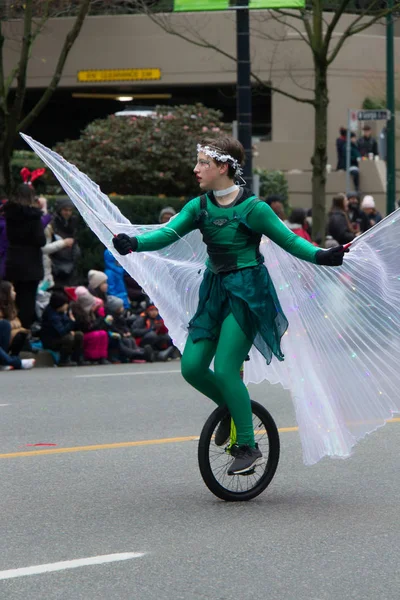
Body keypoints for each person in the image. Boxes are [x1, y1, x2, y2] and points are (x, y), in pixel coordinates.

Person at [112, 136, 347, 475]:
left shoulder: (255, 209)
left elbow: (292, 241)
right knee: (191, 367)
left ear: (223, 167)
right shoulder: (199, 206)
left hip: (247, 293)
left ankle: (248, 446)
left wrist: (322, 256)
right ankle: (230, 408)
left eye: (203, 163)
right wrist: (134, 242)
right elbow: (167, 233)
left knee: (224, 369)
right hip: (214, 292)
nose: (196, 169)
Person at [3, 184, 46, 328]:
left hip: (13, 261)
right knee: (27, 302)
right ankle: (23, 334)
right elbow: (41, 240)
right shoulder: (34, 217)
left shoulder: (9, 214)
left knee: (13, 299)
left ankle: (12, 331)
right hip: (30, 264)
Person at [40, 291, 85, 366]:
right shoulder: (52, 316)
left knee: (79, 335)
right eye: (65, 304)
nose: (67, 306)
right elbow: (62, 331)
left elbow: (66, 322)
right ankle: (63, 360)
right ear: (59, 305)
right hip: (51, 340)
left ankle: (77, 358)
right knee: (69, 338)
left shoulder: (60, 312)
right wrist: (72, 322)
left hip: (59, 337)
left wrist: (71, 325)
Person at [105, 295, 155, 363]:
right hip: (117, 336)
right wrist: (122, 334)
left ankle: (139, 351)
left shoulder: (120, 317)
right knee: (127, 341)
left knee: (131, 339)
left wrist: (127, 332)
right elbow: (112, 328)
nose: (123, 308)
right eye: (121, 307)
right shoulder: (111, 318)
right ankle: (137, 355)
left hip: (123, 335)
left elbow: (124, 326)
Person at [0, 281, 35, 371]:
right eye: (12, 291)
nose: (15, 293)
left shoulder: (11, 307)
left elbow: (17, 322)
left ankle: (6, 360)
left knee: (21, 332)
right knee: (5, 325)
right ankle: (15, 362)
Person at [70, 286, 109, 365]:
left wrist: (102, 319)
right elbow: (87, 327)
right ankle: (91, 356)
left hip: (91, 329)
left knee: (103, 333)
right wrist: (100, 320)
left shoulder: (91, 310)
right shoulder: (78, 311)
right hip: (84, 331)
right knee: (96, 334)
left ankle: (102, 357)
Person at [51, 198, 81, 286]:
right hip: (56, 262)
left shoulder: (73, 222)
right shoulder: (54, 223)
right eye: (65, 210)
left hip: (70, 260)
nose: (68, 213)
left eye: (70, 210)